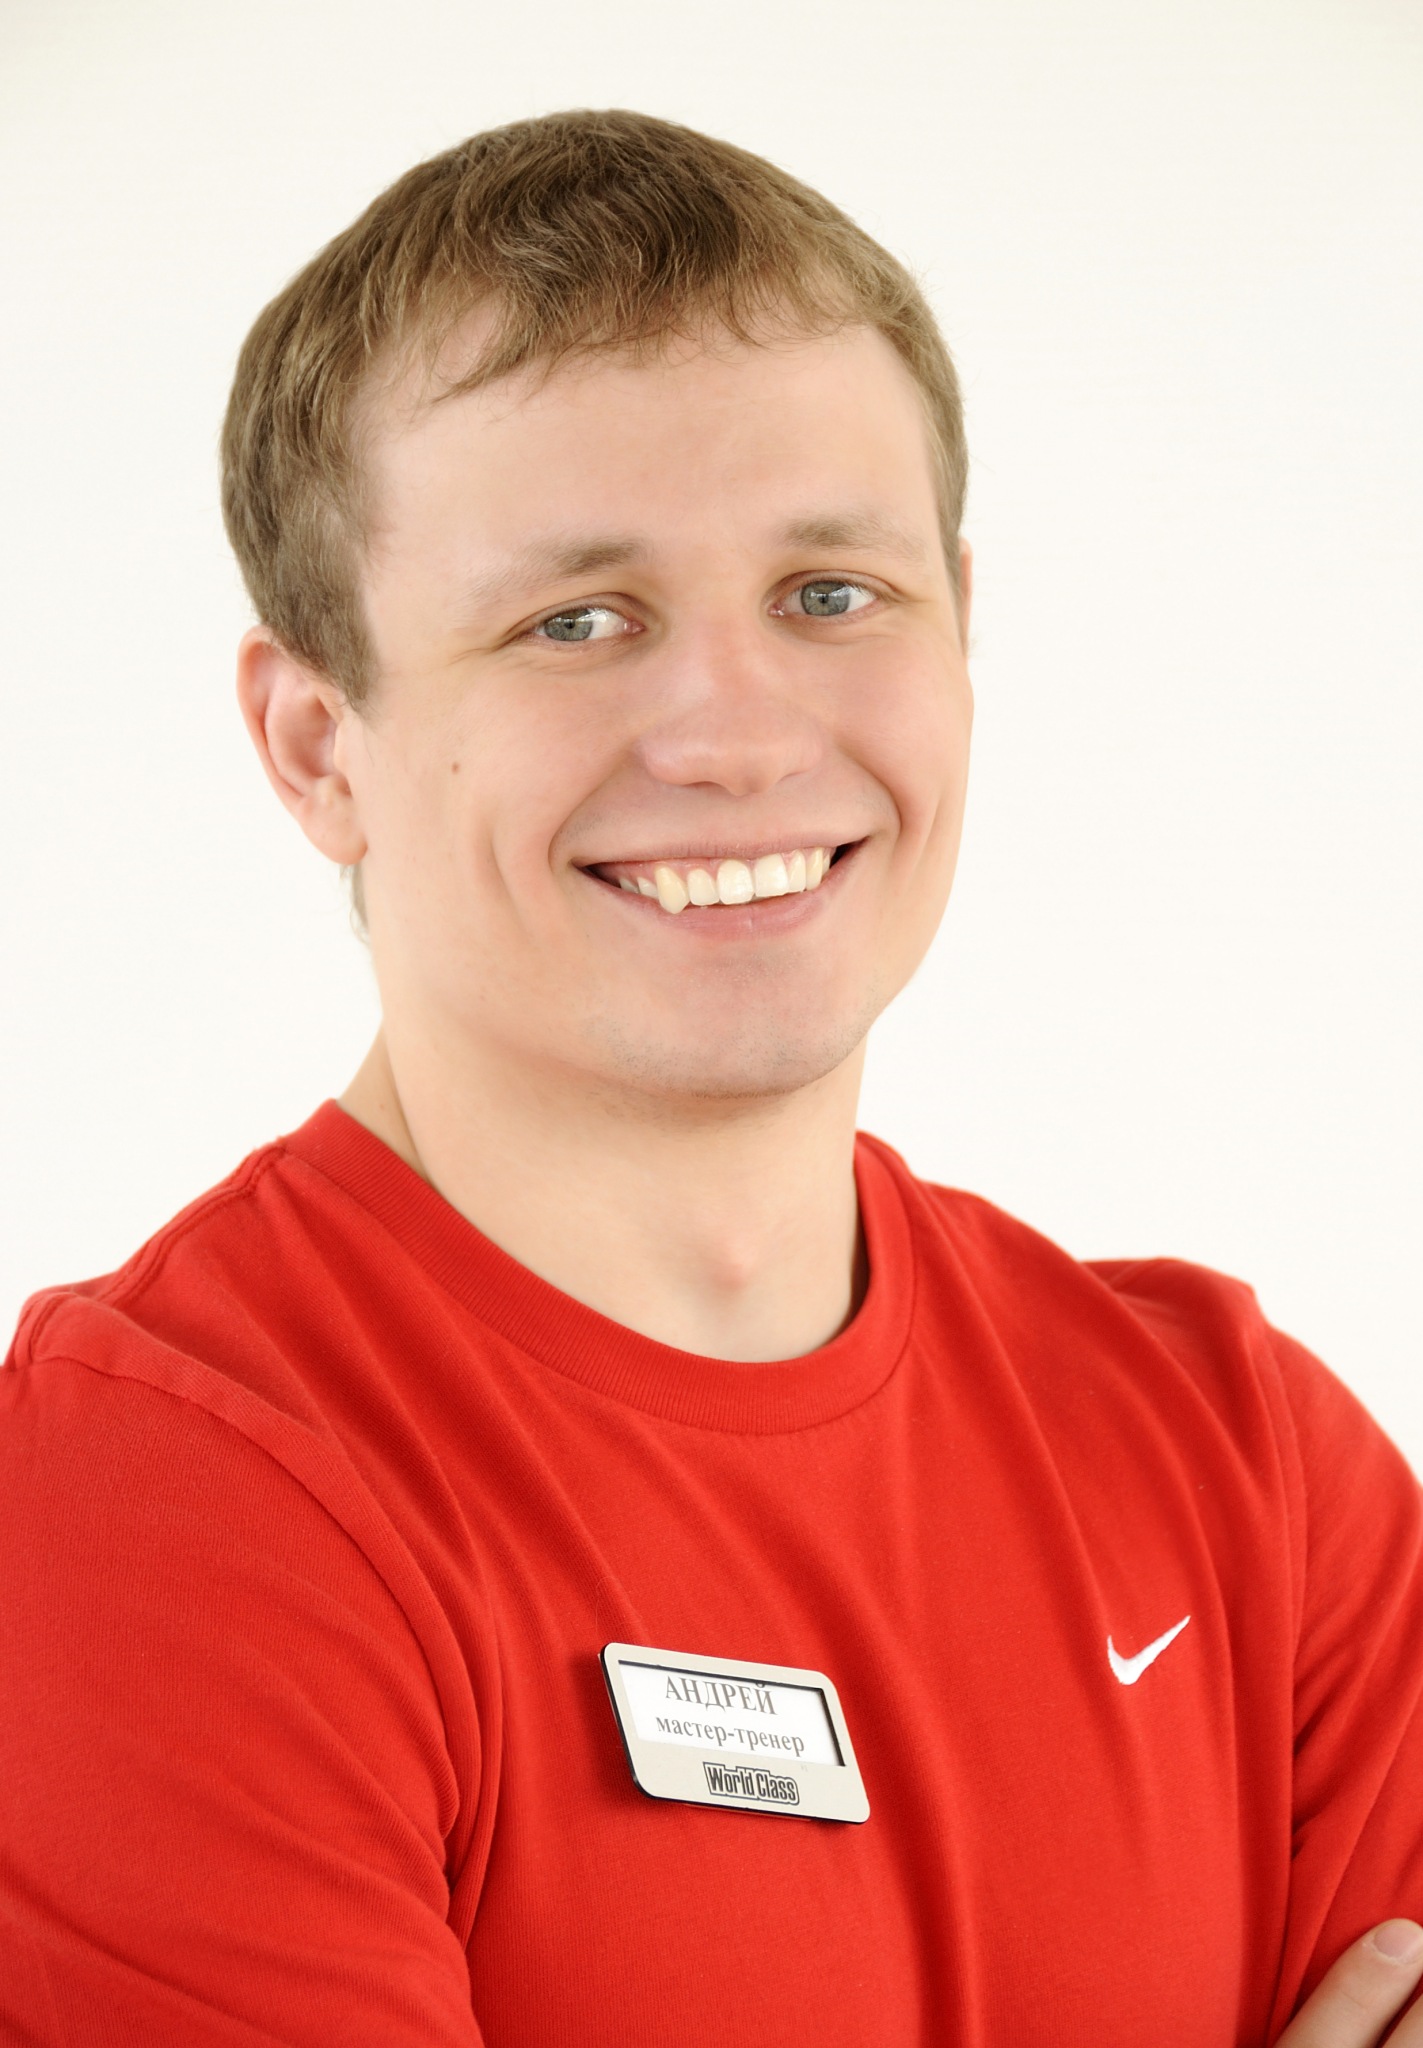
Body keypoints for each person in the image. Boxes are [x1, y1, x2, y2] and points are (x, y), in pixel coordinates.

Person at [1, 108, 1420, 2048]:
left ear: (962, 627)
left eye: (831, 591)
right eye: (577, 621)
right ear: (318, 743)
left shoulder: (1251, 1472)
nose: (740, 737)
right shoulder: (160, 1504)